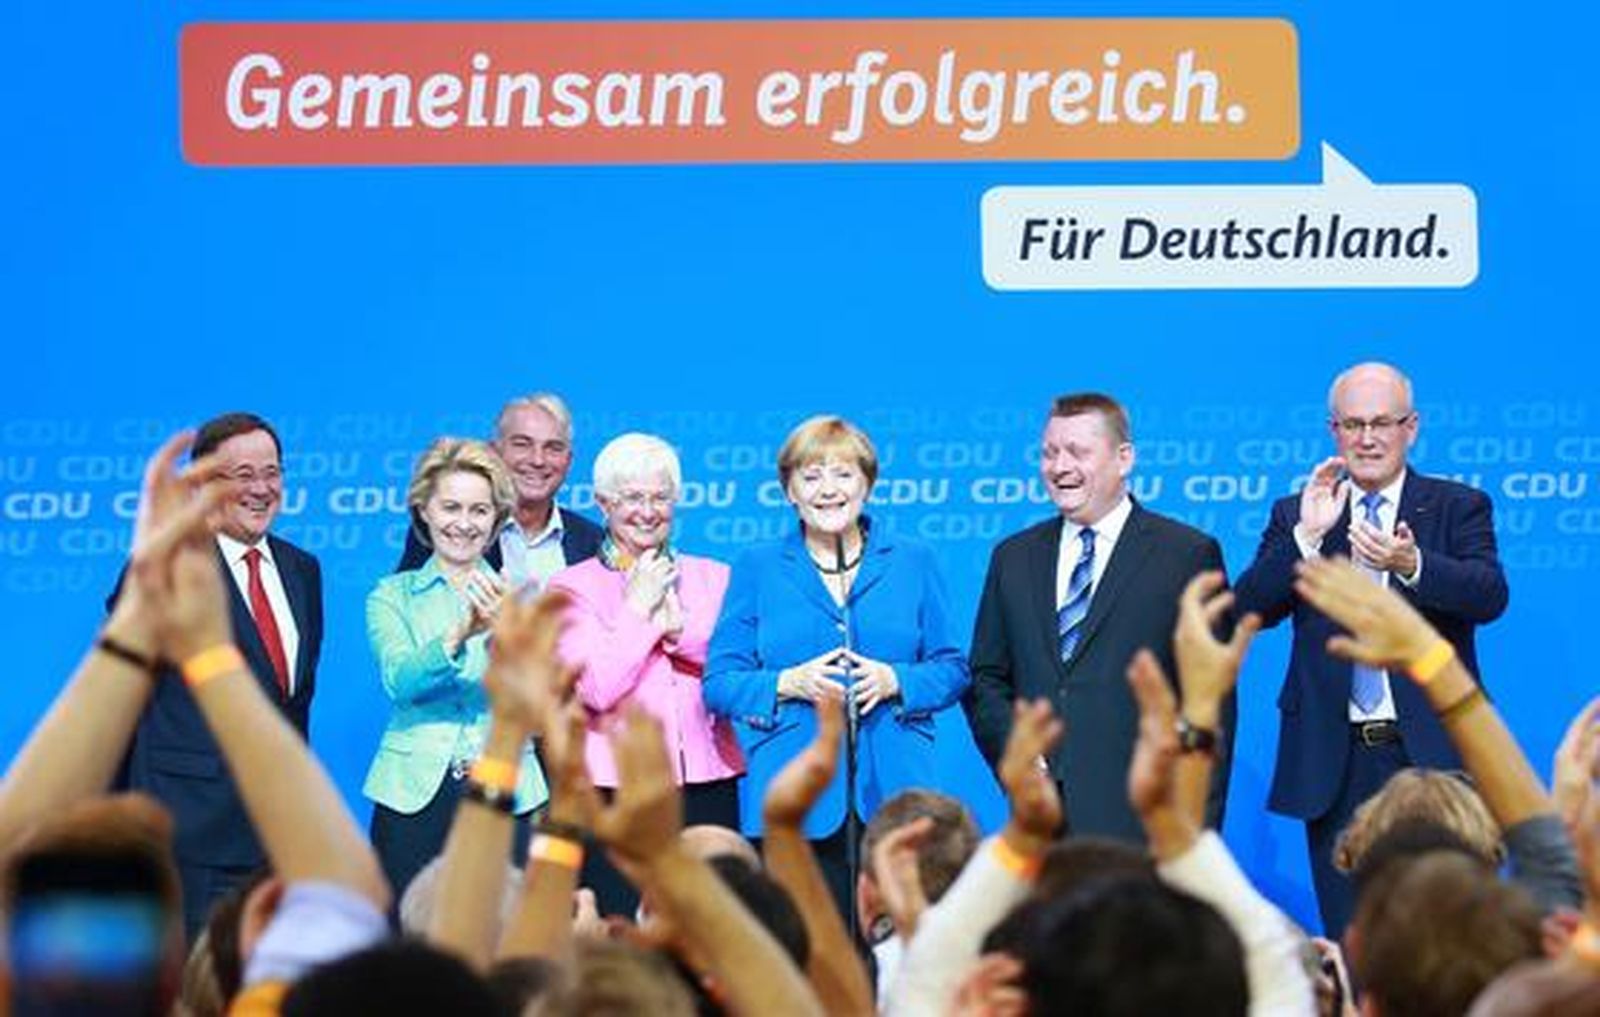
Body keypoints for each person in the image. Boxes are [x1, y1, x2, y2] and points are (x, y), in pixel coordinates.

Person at [1232, 361, 1510, 935]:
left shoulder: (1457, 506)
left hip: (1432, 754)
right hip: (1336, 759)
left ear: (1411, 427)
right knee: (1353, 933)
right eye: (1353, 424)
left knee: (1447, 935)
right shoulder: (1300, 510)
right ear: (1334, 431)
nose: (1367, 438)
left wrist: (1413, 564)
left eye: (1382, 422)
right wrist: (1304, 539)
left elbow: (1488, 595)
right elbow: (1247, 611)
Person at [704, 415, 996, 914]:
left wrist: (895, 679)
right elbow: (720, 683)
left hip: (896, 788)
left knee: (899, 946)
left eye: (842, 474)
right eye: (810, 475)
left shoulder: (913, 560)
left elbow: (952, 668)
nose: (827, 490)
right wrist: (786, 683)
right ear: (789, 490)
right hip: (794, 791)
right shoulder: (759, 564)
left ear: (868, 484)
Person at [965, 392, 1229, 842]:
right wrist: (1021, 756)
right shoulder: (1013, 557)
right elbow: (988, 677)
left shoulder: (1184, 554)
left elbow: (1210, 699)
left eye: (1077, 452)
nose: (1059, 467)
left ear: (1124, 458)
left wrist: (1196, 833)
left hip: (1146, 822)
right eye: (1049, 453)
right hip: (1041, 824)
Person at [111, 411, 324, 939]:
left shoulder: (303, 569)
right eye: (242, 475)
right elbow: (119, 686)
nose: (261, 489)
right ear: (203, 484)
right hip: (191, 832)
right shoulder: (170, 563)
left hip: (275, 836)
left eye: (271, 473)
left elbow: (291, 705)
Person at [547, 432, 743, 917]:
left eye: (660, 497)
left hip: (705, 780)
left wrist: (676, 634)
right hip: (614, 789)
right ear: (603, 503)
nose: (648, 511)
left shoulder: (714, 577)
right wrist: (639, 609)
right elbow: (596, 686)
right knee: (620, 931)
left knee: (714, 927)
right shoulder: (570, 588)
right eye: (633, 498)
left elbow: (734, 664)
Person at [364, 438, 549, 900]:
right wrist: (459, 634)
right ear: (424, 509)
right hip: (414, 798)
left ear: (497, 518)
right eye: (451, 507)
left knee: (509, 942)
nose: (464, 524)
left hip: (510, 791)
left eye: (479, 511)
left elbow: (544, 705)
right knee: (411, 950)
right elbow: (400, 681)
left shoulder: (525, 600)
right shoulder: (391, 596)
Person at [396, 393, 603, 590]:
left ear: (568, 461)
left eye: (553, 448)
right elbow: (408, 613)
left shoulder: (595, 542)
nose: (538, 460)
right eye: (522, 444)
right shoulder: (447, 531)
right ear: (493, 451)